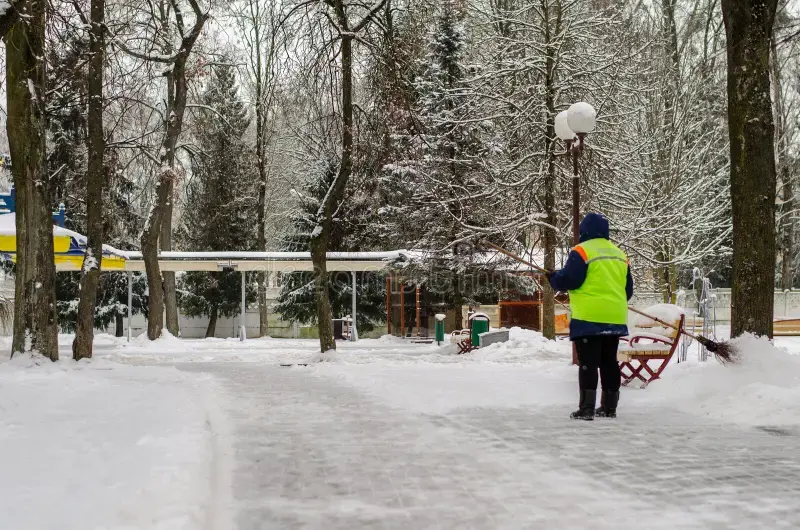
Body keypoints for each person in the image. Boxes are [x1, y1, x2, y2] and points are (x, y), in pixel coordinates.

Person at [547, 212, 633, 420]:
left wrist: (554, 278)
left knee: (589, 362)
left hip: (589, 317)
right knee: (609, 362)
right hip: (615, 317)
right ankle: (609, 407)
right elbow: (628, 290)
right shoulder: (619, 254)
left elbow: (570, 280)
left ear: (583, 231)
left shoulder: (582, 251)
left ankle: (586, 408)